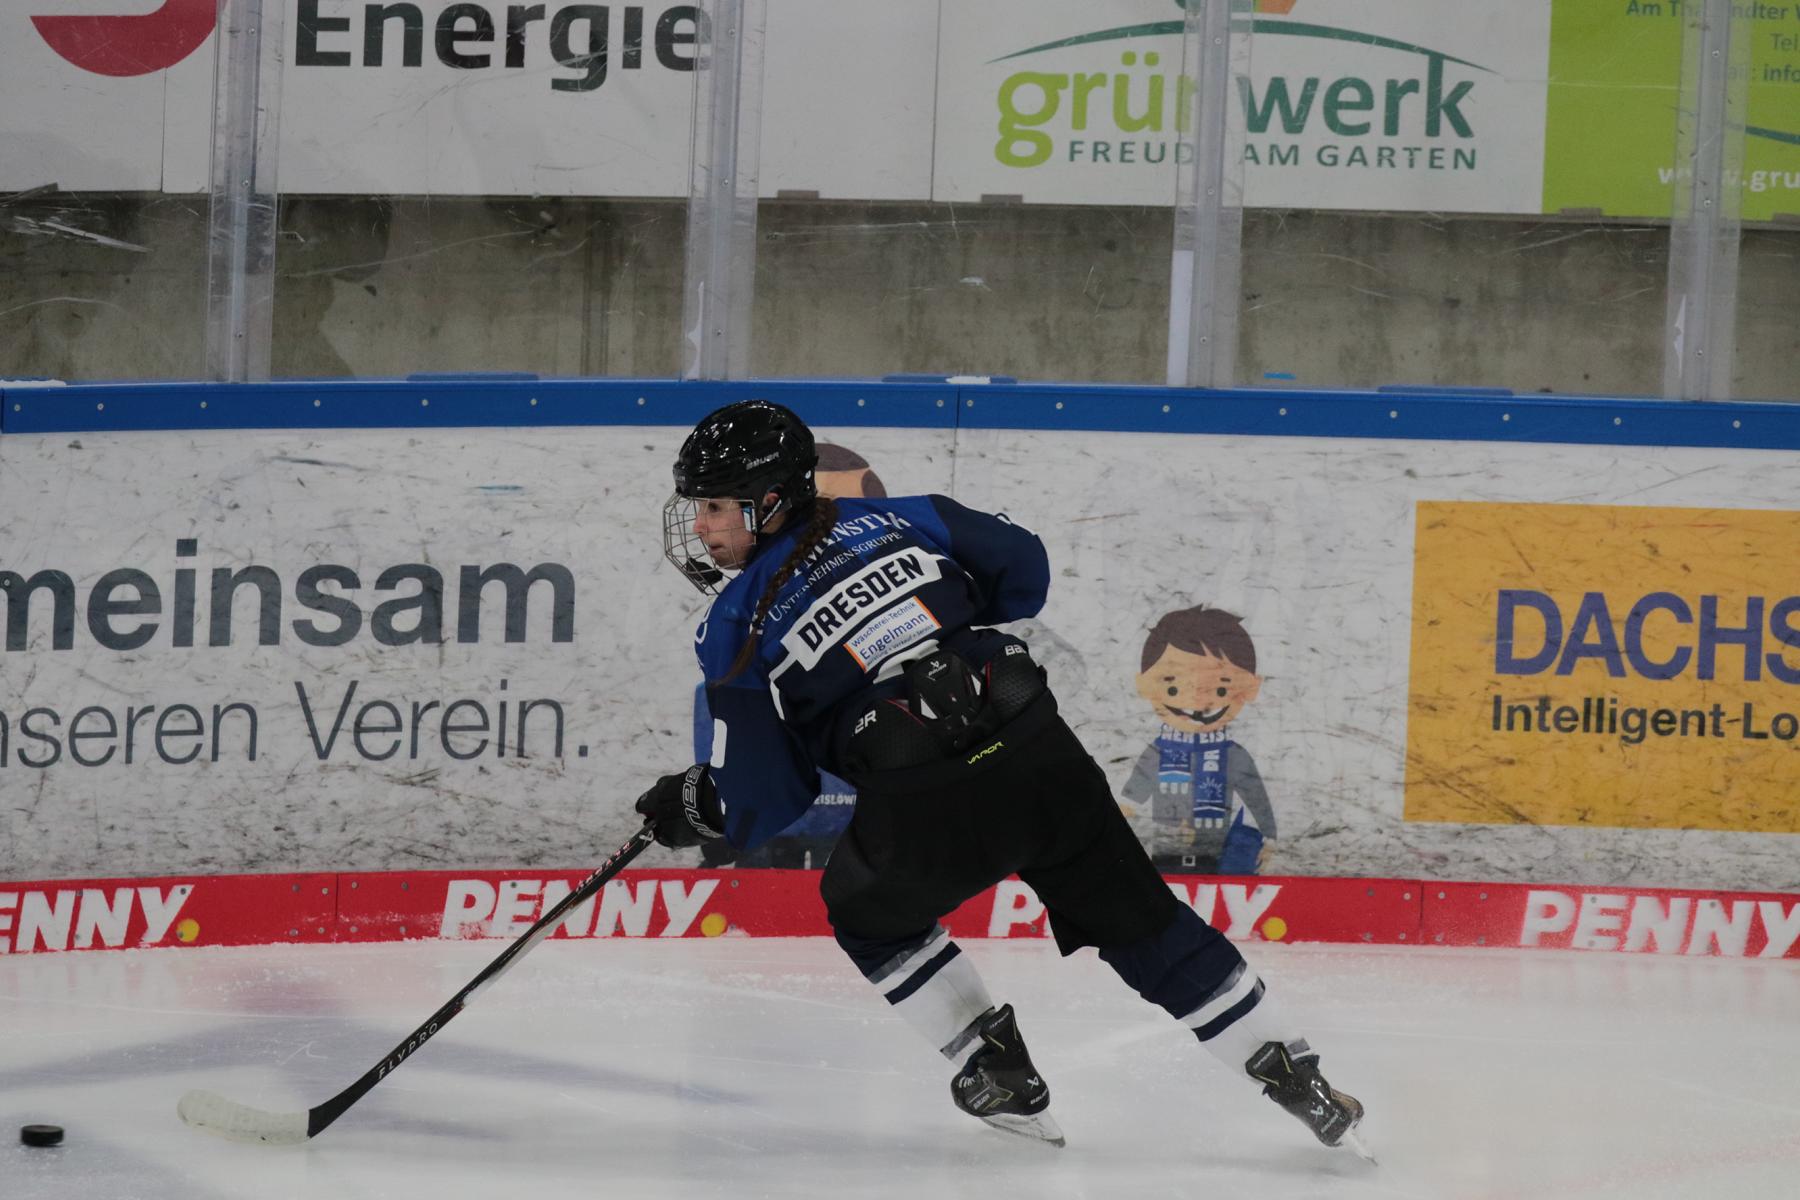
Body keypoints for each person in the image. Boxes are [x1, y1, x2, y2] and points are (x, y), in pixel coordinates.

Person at [634, 399, 1367, 1155]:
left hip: (928, 810)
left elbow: (766, 791)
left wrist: (695, 804)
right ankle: (1293, 1072)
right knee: (1140, 920)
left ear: (769, 501)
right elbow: (1023, 568)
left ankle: (998, 1070)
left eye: (716, 507)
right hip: (1040, 758)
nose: (703, 527)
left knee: (868, 916)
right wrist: (933, 611)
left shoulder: (733, 622)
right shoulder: (904, 516)